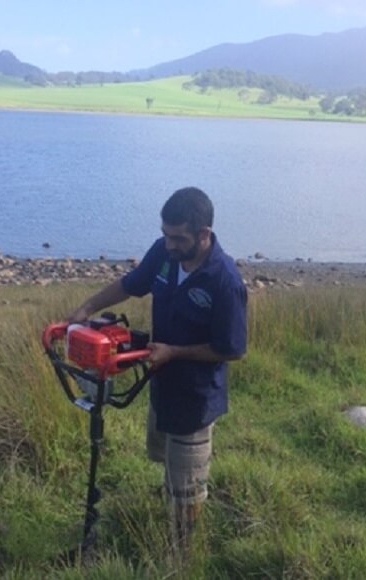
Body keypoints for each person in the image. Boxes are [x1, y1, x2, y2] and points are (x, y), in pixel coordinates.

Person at [67, 186, 247, 550]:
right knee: (166, 461)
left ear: (204, 235)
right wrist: (86, 309)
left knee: (189, 485)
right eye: (165, 235)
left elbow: (231, 349)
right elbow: (130, 285)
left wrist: (174, 352)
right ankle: (174, 506)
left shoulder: (224, 281)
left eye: (178, 238)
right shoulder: (164, 255)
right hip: (161, 384)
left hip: (195, 399)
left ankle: (182, 551)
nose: (169, 245)